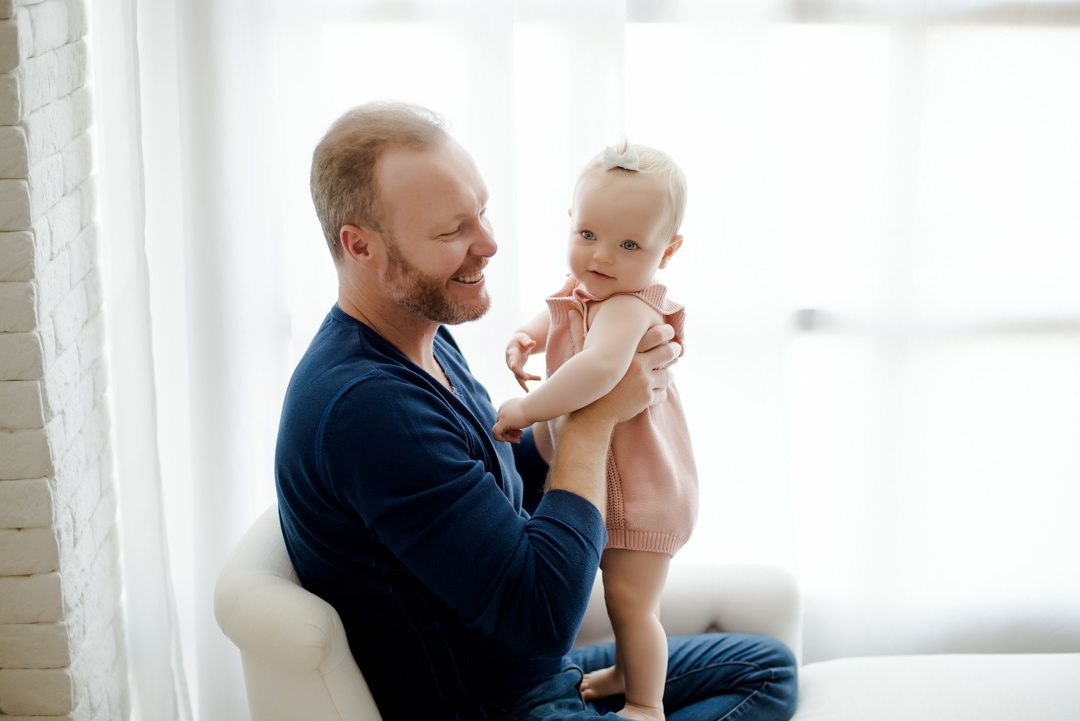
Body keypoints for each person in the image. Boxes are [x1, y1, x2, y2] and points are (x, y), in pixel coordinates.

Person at [275, 100, 798, 721]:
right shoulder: (367, 409)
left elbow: (491, 476)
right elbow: (543, 616)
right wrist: (596, 414)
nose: (490, 244)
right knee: (759, 685)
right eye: (451, 232)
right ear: (361, 247)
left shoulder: (423, 335)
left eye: (483, 211)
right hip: (500, 705)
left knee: (765, 665)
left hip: (542, 676)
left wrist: (593, 411)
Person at [492, 142, 696, 721]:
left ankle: (644, 702)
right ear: (572, 223)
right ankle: (623, 674)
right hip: (613, 484)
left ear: (669, 250)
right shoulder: (595, 283)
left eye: (630, 245)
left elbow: (600, 369)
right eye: (587, 235)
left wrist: (526, 410)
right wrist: (528, 337)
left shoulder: (631, 307)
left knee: (633, 605)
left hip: (643, 491)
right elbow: (562, 304)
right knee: (621, 596)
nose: (601, 257)